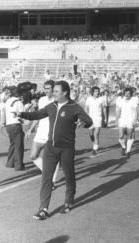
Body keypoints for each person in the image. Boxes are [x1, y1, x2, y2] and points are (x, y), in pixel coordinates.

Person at [16, 81, 93, 220]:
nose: (53, 93)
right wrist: (21, 114)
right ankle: (43, 209)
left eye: (56, 91)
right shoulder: (51, 106)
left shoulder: (74, 107)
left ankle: (69, 201)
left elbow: (89, 121)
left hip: (67, 148)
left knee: (69, 175)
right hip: (50, 147)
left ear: (65, 92)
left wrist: (84, 123)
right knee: (46, 178)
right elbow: (38, 114)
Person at [26, 80, 59, 190]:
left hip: (52, 134)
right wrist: (30, 129)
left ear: (53, 89)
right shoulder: (42, 100)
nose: (46, 90)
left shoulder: (58, 101)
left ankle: (52, 181)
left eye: (48, 88)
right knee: (33, 156)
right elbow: (38, 116)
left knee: (52, 159)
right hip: (40, 132)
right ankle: (48, 174)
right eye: (45, 88)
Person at [3, 85, 27, 171]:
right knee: (19, 145)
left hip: (9, 125)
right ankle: (19, 165)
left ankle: (10, 163)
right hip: (16, 124)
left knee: (12, 144)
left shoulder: (8, 101)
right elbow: (21, 114)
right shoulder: (18, 102)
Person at [116, 87, 138, 158]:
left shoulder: (133, 101)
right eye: (126, 93)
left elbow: (135, 111)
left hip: (130, 120)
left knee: (130, 136)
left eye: (129, 93)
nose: (127, 94)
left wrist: (134, 120)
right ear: (124, 93)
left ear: (131, 94)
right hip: (122, 120)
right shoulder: (121, 101)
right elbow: (118, 111)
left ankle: (128, 151)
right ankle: (123, 146)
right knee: (120, 136)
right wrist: (117, 119)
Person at [85, 86, 106, 155]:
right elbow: (86, 109)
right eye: (96, 91)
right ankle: (94, 143)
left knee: (96, 134)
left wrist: (104, 118)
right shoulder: (89, 99)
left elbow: (104, 109)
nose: (97, 92)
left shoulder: (101, 99)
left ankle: (95, 149)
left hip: (98, 119)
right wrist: (86, 117)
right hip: (90, 119)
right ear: (92, 92)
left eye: (98, 91)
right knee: (91, 134)